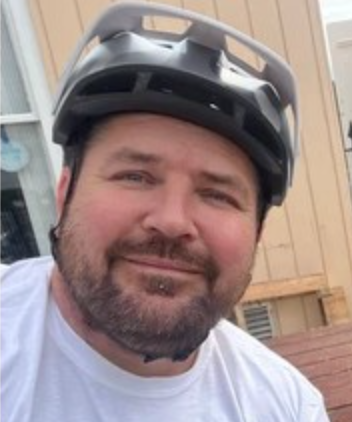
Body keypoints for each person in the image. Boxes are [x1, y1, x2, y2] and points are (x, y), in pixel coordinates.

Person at [1, 2, 329, 421]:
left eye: (217, 195)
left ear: (258, 232)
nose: (172, 221)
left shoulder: (287, 407)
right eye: (135, 176)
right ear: (65, 193)